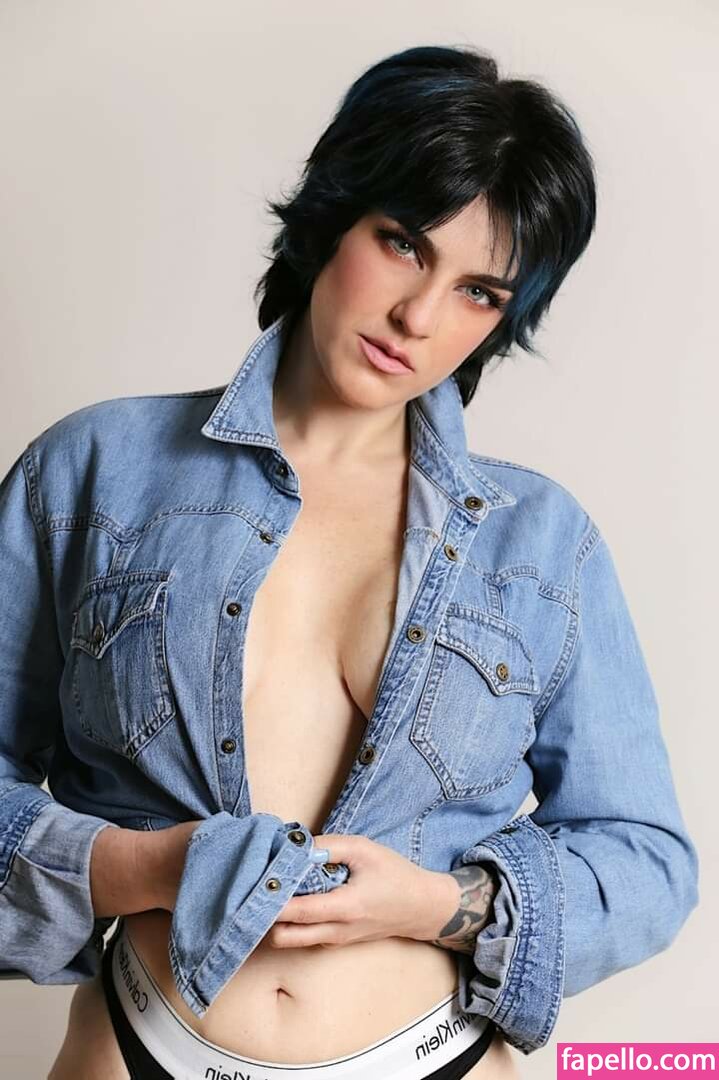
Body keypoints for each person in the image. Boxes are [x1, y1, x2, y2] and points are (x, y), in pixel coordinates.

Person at [0, 44, 698, 1080]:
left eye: (479, 292)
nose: (419, 318)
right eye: (403, 244)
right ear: (332, 217)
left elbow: (644, 861)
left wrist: (441, 904)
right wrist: (152, 867)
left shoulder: (541, 542)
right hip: (141, 1043)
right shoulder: (93, 471)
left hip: (437, 1054)